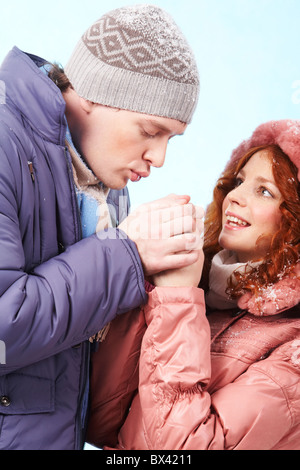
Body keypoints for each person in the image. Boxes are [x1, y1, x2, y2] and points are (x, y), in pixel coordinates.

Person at [0, 5, 201, 450]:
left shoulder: (106, 185)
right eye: (150, 130)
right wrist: (127, 252)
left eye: (172, 139)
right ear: (91, 93)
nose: (160, 158)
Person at [87, 119, 300, 450]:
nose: (234, 197)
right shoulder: (205, 295)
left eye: (264, 191)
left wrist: (176, 303)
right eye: (239, 181)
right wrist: (139, 272)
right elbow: (100, 420)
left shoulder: (293, 352)